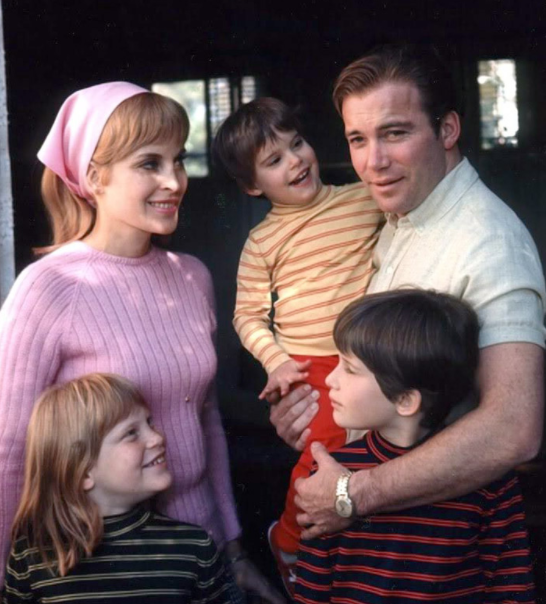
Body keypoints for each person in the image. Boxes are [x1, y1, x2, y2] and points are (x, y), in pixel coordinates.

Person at [0, 81, 283, 603]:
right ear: (93, 177)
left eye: (177, 160)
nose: (174, 180)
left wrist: (234, 550)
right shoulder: (47, 288)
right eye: (149, 163)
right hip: (97, 568)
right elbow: (12, 452)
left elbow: (206, 423)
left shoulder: (191, 276)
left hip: (201, 553)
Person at [268, 44, 546, 540]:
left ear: (447, 129)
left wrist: (353, 494)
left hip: (432, 551)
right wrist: (314, 419)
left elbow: (514, 428)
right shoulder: (402, 214)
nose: (373, 162)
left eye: (394, 133)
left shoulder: (489, 241)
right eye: (358, 139)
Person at [213, 97, 383, 591]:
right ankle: (288, 539)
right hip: (307, 365)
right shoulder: (263, 241)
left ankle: (348, 560)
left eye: (297, 144)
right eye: (274, 160)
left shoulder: (362, 199)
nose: (295, 160)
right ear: (251, 186)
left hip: (365, 359)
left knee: (373, 454)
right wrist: (277, 362)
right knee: (324, 457)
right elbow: (247, 316)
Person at [294, 289, 536, 603]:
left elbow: (511, 586)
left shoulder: (487, 478)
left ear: (406, 400)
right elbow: (312, 586)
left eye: (350, 369)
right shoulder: (331, 472)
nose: (331, 379)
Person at [3, 373, 233, 603]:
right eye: (131, 433)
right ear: (84, 472)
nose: (157, 438)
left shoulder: (194, 547)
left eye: (149, 422)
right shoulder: (31, 556)